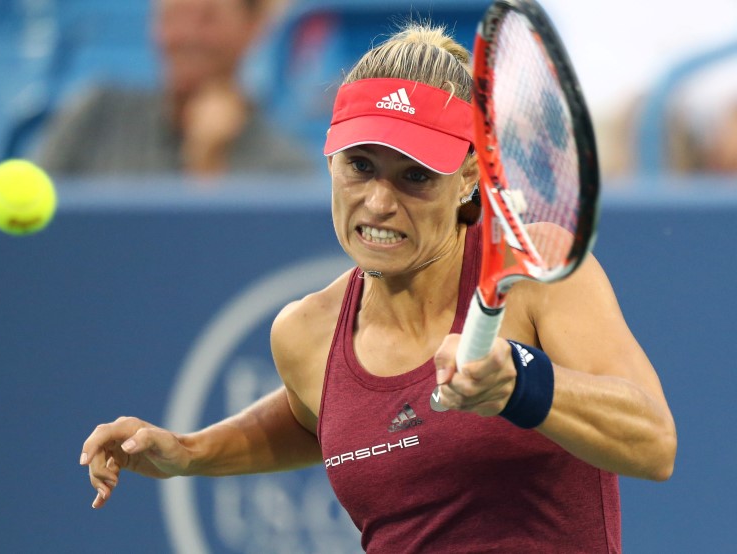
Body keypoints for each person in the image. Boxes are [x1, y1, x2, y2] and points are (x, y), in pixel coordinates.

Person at [79, 22, 677, 552]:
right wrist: (191, 451)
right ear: (330, 161)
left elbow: (654, 442)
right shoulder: (305, 333)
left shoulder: (534, 270)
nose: (379, 203)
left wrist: (521, 382)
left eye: (415, 176)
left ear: (470, 174)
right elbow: (318, 416)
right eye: (359, 166)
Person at [35, 0, 314, 177]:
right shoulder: (95, 115)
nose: (186, 36)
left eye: (208, 18)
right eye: (173, 17)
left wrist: (206, 161)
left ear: (253, 28)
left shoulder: (284, 167)